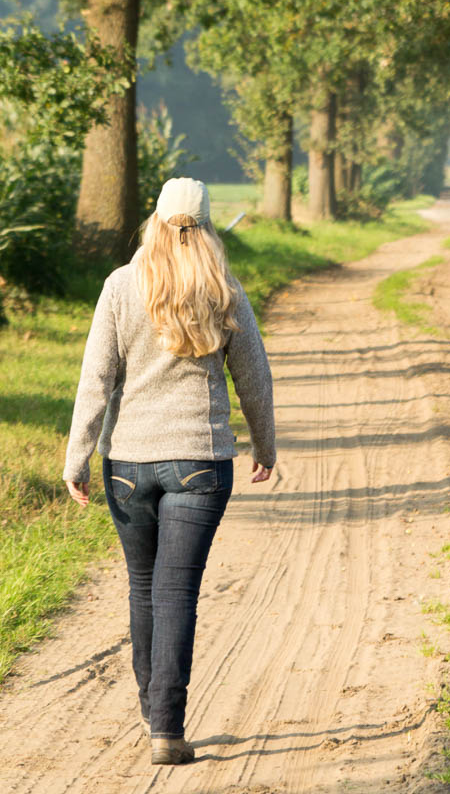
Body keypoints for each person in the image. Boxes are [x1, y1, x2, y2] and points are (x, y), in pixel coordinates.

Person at [63, 177, 276, 766]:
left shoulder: (120, 285)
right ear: (206, 226)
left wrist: (77, 457)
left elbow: (96, 378)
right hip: (199, 462)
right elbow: (254, 377)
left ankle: (150, 711)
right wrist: (265, 446)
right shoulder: (222, 287)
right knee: (177, 591)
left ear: (155, 221)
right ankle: (168, 727)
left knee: (143, 586)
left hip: (128, 464)